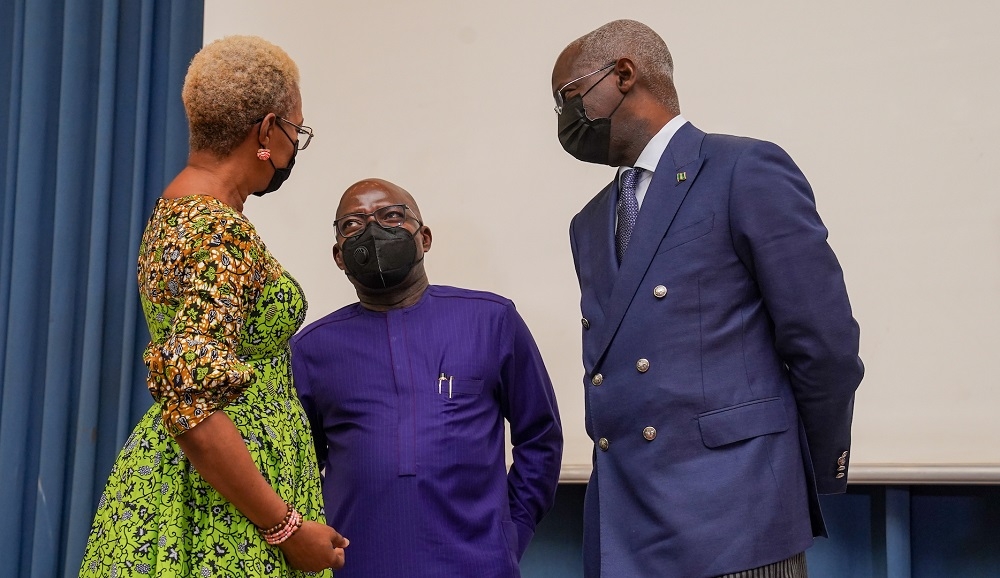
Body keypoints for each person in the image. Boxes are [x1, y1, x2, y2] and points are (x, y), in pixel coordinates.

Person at [551, 19, 864, 578]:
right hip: (625, 532)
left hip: (736, 523)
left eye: (567, 98)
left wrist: (793, 474)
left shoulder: (744, 169)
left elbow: (825, 344)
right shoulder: (590, 222)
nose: (563, 120)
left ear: (624, 74)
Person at [79, 36, 347, 577]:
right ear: (266, 130)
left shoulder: (177, 210)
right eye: (296, 130)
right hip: (221, 513)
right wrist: (286, 529)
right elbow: (194, 408)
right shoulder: (218, 234)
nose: (295, 147)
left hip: (203, 491)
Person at [291, 178, 563, 578]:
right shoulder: (311, 349)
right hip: (356, 565)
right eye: (353, 224)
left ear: (425, 237)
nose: (373, 230)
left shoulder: (491, 320)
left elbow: (540, 438)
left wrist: (511, 534)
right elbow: (298, 469)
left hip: (478, 566)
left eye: (391, 216)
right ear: (339, 256)